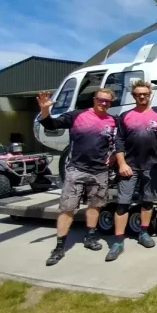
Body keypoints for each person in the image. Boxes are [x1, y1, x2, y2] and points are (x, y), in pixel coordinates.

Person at [36, 88, 117, 266]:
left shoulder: (112, 121)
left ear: (111, 103)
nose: (103, 103)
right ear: (94, 99)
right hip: (76, 169)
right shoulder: (77, 115)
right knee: (67, 208)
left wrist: (113, 156)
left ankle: (90, 237)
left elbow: (120, 141)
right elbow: (51, 124)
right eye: (100, 99)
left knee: (95, 206)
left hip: (100, 171)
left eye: (107, 101)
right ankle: (59, 248)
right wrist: (45, 109)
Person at [106, 80, 157, 262]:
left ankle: (143, 233)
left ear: (149, 94)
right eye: (138, 94)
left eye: (145, 94)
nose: (142, 97)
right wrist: (121, 164)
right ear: (134, 96)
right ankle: (118, 242)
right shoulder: (125, 116)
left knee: (148, 201)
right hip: (129, 167)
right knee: (122, 203)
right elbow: (118, 141)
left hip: (152, 166)